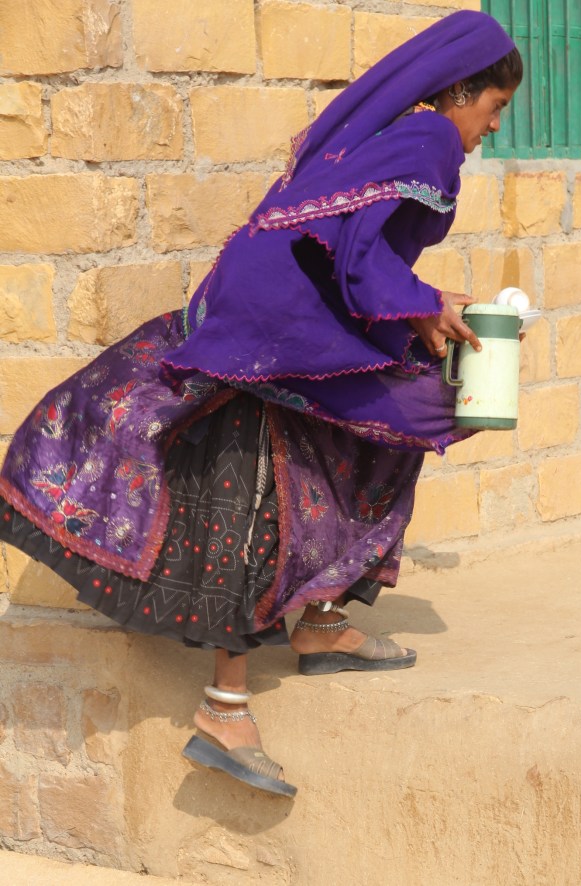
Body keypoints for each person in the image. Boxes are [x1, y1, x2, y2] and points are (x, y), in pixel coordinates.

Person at [0, 10, 522, 798]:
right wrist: (421, 297)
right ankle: (226, 709)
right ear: (460, 94)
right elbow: (354, 252)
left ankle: (317, 625)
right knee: (249, 498)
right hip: (280, 341)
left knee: (384, 431)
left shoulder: (386, 135)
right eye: (492, 111)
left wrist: (414, 308)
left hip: (274, 329)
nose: (488, 131)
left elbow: (343, 239)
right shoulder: (428, 141)